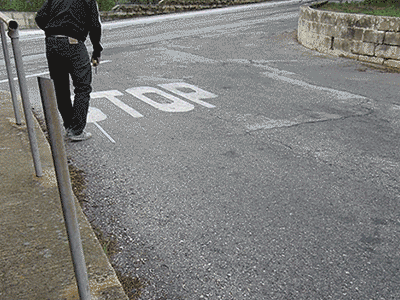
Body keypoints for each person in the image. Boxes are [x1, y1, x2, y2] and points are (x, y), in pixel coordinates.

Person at [35, 0, 103, 141]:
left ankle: (69, 126)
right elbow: (95, 26)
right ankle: (77, 130)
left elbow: (39, 17)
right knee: (82, 87)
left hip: (52, 43)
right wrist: (97, 50)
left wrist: (52, 31)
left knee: (60, 88)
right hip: (74, 42)